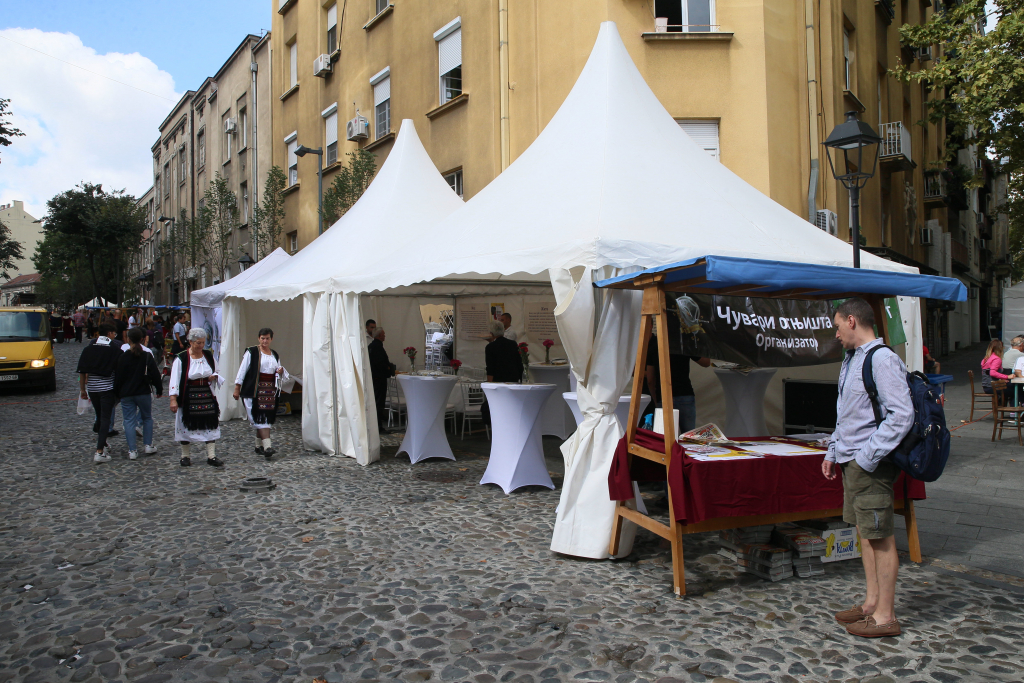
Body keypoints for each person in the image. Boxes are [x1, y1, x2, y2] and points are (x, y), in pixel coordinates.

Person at [822, 297, 914, 638]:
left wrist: (866, 456)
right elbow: (847, 413)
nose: (836, 335)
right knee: (865, 533)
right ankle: (871, 604)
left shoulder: (882, 359)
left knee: (881, 537)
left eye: (836, 327)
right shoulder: (851, 359)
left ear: (850, 321)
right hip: (853, 461)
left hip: (869, 464)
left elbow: (902, 415)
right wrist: (834, 450)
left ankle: (886, 617)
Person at [169, 328, 223, 468]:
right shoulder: (181, 358)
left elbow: (216, 370)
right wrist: (173, 399)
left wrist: (213, 376)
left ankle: (211, 456)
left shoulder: (208, 356)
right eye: (198, 343)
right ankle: (185, 456)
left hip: (206, 393)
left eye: (203, 342)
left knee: (210, 423)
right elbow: (174, 379)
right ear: (190, 342)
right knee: (186, 424)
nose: (200, 346)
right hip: (188, 395)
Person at [233, 328, 290, 459]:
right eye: (262, 338)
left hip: (269, 390)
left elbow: (277, 369)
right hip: (254, 390)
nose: (265, 341)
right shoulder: (251, 352)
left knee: (265, 417)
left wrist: (280, 371)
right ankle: (268, 447)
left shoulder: (274, 354)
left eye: (267, 338)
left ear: (271, 339)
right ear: (258, 338)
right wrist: (237, 387)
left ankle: (259, 446)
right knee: (259, 418)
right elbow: (242, 370)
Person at [644, 332, 711, 434]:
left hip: (663, 395)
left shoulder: (655, 343)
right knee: (688, 437)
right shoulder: (684, 341)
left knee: (664, 437)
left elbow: (650, 379)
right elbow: (706, 362)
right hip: (685, 393)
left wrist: (656, 399)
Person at [76, 323, 123, 463]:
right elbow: (120, 371)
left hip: (93, 389)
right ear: (109, 334)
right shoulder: (115, 350)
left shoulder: (88, 349)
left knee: (100, 417)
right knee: (105, 419)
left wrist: (83, 390)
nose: (115, 336)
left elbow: (82, 371)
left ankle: (103, 443)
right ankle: (99, 451)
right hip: (107, 389)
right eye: (114, 333)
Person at [114, 328, 163, 460]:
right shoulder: (146, 356)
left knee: (128, 420)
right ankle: (148, 444)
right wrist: (159, 389)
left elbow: (118, 377)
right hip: (143, 391)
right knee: (147, 418)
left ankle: (132, 450)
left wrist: (117, 393)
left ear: (128, 339)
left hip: (126, 393)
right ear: (143, 339)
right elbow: (155, 374)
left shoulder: (122, 356)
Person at [482, 320, 523, 426]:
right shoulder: (512, 344)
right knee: (511, 406)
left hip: (498, 382)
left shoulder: (490, 347)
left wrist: (489, 386)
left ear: (491, 333)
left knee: (497, 407)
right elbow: (519, 364)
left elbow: (490, 368)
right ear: (503, 331)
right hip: (513, 380)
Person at [368, 327, 394, 432]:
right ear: (379, 336)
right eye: (383, 334)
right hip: (379, 378)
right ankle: (378, 426)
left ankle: (375, 424)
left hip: (374, 377)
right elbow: (380, 363)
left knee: (376, 402)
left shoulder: (371, 346)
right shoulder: (377, 347)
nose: (384, 336)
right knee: (379, 403)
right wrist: (388, 368)